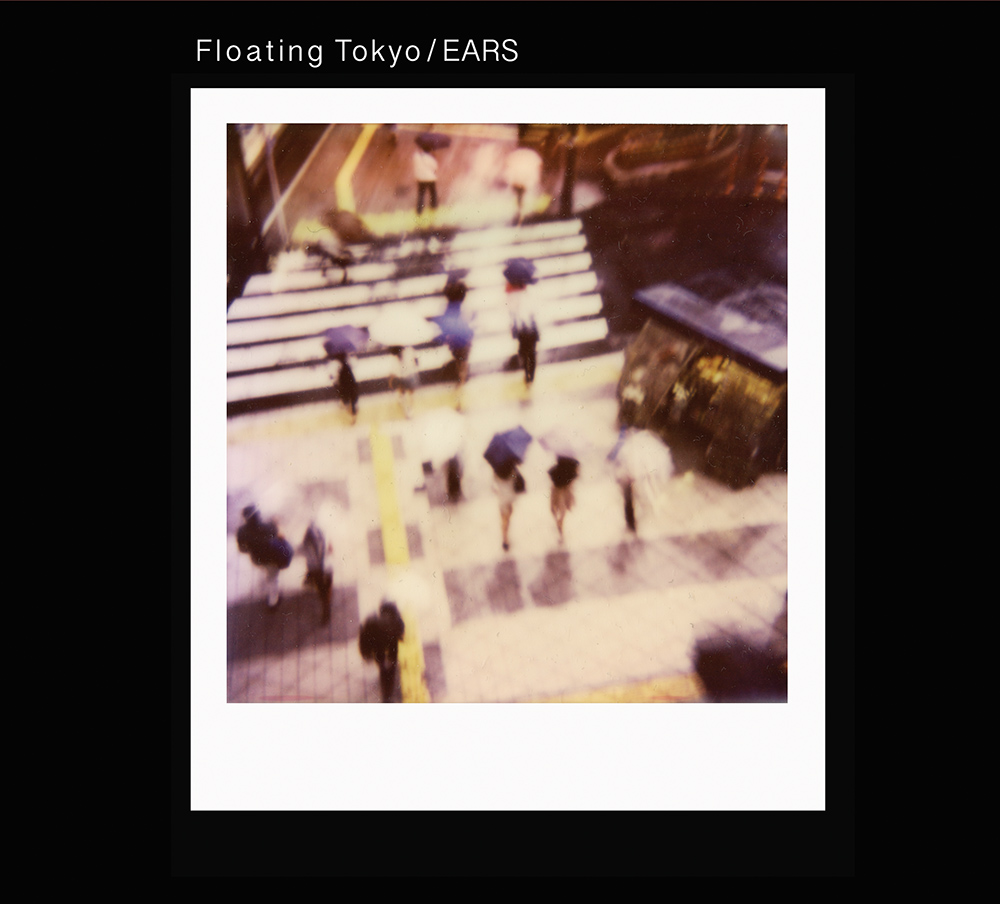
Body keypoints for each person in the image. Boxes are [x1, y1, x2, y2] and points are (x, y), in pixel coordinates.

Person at [236, 505, 294, 608]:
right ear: (257, 514)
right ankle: (272, 603)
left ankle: (269, 595)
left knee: (269, 576)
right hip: (273, 557)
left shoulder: (242, 531)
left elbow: (242, 549)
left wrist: (251, 547)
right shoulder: (266, 527)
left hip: (257, 559)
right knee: (272, 578)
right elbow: (277, 535)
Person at [359, 600, 406, 702]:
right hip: (390, 648)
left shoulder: (372, 622)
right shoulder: (395, 621)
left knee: (384, 668)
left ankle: (386, 694)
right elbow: (401, 630)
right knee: (389, 669)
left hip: (380, 649)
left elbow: (364, 638)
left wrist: (366, 654)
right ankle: (387, 694)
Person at [503, 259, 540, 387]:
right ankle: (531, 376)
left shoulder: (511, 293)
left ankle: (527, 373)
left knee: (524, 351)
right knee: (532, 352)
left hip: (521, 328)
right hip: (531, 326)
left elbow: (511, 312)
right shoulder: (527, 291)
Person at [301, 522, 333, 624]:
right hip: (327, 569)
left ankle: (326, 609)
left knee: (322, 591)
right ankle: (326, 604)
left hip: (318, 571)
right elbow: (330, 550)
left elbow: (308, 558)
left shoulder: (307, 544)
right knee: (326, 588)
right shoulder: (324, 537)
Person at [504, 145, 543, 225]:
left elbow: (509, 167)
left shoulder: (516, 155)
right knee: (522, 198)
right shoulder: (532, 155)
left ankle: (522, 215)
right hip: (523, 181)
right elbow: (538, 167)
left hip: (520, 181)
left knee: (522, 198)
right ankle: (522, 215)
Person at [492, 459, 522, 551]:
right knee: (507, 519)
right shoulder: (512, 470)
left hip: (502, 499)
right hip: (510, 498)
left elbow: (494, 487)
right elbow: (515, 480)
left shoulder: (496, 472)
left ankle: (505, 539)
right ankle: (505, 540)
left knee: (503, 519)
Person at [548, 456, 579, 542]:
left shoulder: (555, 471)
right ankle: (561, 533)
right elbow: (573, 481)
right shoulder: (571, 471)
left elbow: (551, 475)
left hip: (557, 491)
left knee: (555, 511)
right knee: (562, 514)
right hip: (564, 492)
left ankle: (560, 532)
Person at [389, 345, 419, 418]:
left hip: (402, 376)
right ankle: (410, 410)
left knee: (403, 393)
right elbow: (417, 362)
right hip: (410, 375)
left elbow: (393, 370)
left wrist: (391, 379)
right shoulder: (410, 350)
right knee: (411, 393)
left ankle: (406, 409)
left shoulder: (394, 355)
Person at [330, 353, 359, 423]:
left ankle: (351, 418)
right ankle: (352, 418)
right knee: (350, 402)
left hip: (345, 387)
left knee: (348, 402)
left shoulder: (341, 367)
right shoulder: (346, 366)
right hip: (348, 387)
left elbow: (340, 380)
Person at [413, 145, 439, 217]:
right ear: (429, 151)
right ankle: (433, 206)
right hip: (430, 178)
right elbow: (435, 168)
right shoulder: (431, 158)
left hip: (420, 178)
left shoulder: (417, 157)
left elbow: (416, 155)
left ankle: (419, 211)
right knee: (433, 193)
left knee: (421, 194)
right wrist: (434, 157)